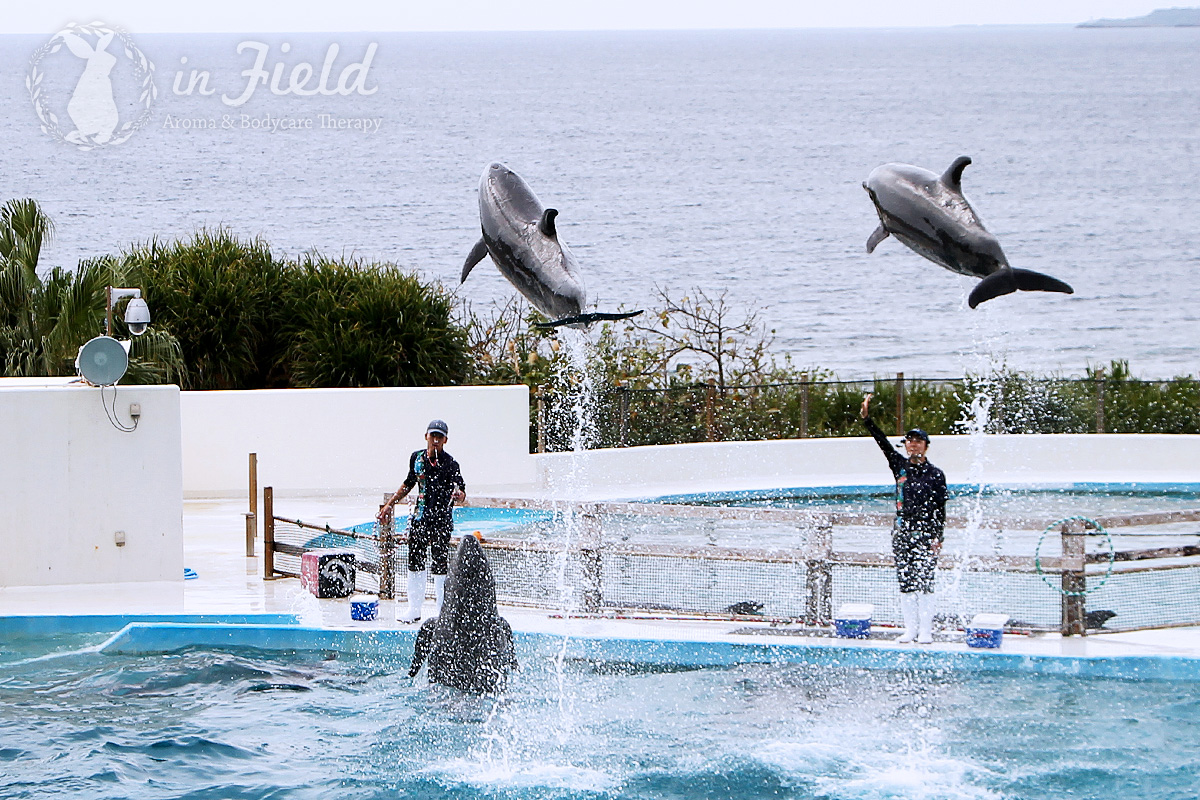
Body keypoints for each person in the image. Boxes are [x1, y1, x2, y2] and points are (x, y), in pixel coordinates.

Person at [859, 394, 947, 644]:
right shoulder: (899, 466)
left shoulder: (936, 474)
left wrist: (938, 537)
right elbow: (882, 443)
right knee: (906, 580)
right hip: (902, 531)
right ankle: (910, 629)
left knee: (926, 581)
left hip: (927, 533)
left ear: (926, 446)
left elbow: (940, 508)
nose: (914, 445)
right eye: (910, 442)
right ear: (906, 446)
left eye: (919, 442)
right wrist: (868, 420)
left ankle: (926, 631)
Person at [377, 419, 466, 623]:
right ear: (426, 436)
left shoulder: (451, 463)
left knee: (440, 563)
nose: (435, 440)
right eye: (432, 435)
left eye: (439, 437)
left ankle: (441, 611)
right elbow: (409, 482)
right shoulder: (416, 459)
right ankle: (414, 609)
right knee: (415, 562)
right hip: (420, 518)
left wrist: (459, 494)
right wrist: (390, 504)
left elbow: (461, 489)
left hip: (441, 520)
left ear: (445, 440)